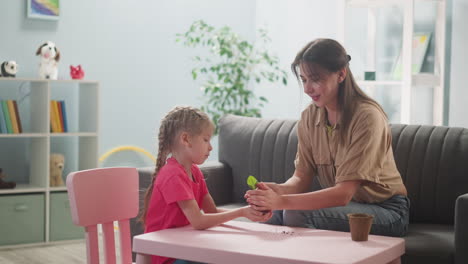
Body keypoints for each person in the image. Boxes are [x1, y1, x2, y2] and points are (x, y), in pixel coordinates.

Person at [245, 38, 409, 237]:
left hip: (388, 211)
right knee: (268, 214)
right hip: (347, 207)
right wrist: (278, 190)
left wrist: (283, 201)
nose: (307, 89)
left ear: (341, 74)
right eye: (304, 80)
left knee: (295, 213)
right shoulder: (309, 116)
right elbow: (301, 178)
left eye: (315, 79)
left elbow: (343, 194)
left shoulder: (367, 117)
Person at [139, 106, 271, 264]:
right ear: (186, 139)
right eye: (206, 140)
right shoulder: (173, 175)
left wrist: (248, 213)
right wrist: (241, 212)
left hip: (184, 246)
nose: (210, 147)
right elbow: (199, 221)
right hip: (167, 256)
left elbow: (212, 212)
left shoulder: (195, 172)